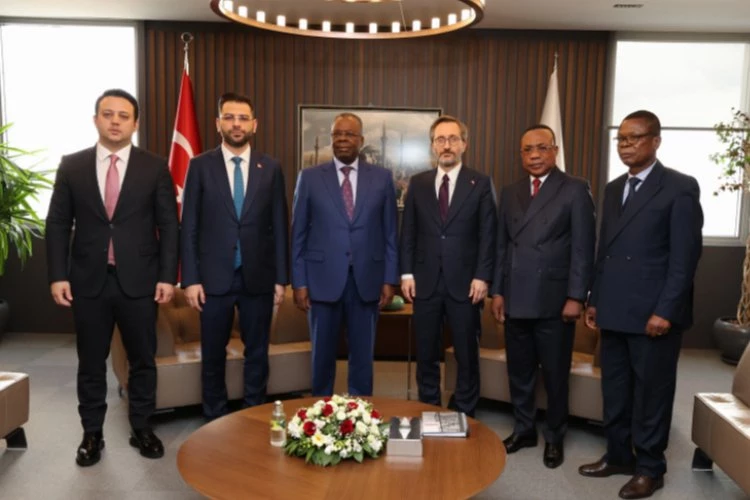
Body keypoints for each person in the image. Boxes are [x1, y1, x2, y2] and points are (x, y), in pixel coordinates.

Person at [46, 88, 179, 466]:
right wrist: (58, 275)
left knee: (143, 360)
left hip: (140, 281)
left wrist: (167, 276)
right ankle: (92, 434)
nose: (115, 121)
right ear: (96, 120)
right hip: (88, 280)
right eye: (108, 114)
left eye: (124, 116)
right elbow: (57, 223)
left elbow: (169, 224)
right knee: (90, 362)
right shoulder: (72, 165)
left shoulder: (154, 167)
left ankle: (142, 427)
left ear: (135, 124)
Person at [579, 110, 703, 499]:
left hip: (654, 315)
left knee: (651, 394)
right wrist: (595, 298)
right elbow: (605, 250)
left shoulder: (679, 187)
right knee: (615, 390)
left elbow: (685, 259)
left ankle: (650, 467)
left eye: (635, 138)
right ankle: (618, 456)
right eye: (621, 139)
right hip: (614, 309)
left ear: (656, 141)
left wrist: (665, 310)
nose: (626, 145)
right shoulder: (614, 187)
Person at [490, 124, 595, 468]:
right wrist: (498, 291)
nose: (534, 155)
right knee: (519, 371)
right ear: (521, 155)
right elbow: (502, 246)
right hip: (515, 296)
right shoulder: (511, 191)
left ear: (555, 150)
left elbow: (583, 248)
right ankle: (523, 430)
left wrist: (576, 296)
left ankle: (554, 436)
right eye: (527, 150)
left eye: (542, 148)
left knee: (554, 374)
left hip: (554, 299)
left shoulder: (575, 188)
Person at [180, 92, 288, 420]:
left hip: (258, 277)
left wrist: (281, 279)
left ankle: (253, 416)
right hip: (213, 279)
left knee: (257, 353)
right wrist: (191, 279)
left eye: (243, 118)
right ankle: (215, 418)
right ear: (218, 124)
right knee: (213, 354)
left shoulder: (270, 167)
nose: (236, 124)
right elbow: (189, 226)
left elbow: (280, 225)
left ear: (254, 124)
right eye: (229, 117)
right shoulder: (200, 166)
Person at [291, 112, 398, 396]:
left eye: (349, 134)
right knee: (322, 356)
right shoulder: (309, 177)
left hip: (367, 280)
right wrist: (299, 282)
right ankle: (320, 412)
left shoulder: (382, 178)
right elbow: (298, 234)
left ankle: (360, 413)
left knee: (362, 357)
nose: (342, 139)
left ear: (360, 140)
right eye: (337, 134)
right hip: (321, 280)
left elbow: (390, 233)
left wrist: (389, 279)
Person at [399, 115, 496, 417]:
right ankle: (429, 406)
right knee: (426, 351)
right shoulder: (418, 183)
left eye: (453, 139)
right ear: (432, 145)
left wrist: (482, 276)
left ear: (464, 144)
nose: (447, 145)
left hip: (466, 284)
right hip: (425, 282)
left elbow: (488, 234)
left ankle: (464, 410)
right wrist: (406, 273)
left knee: (466, 353)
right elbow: (408, 232)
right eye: (440, 139)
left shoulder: (480, 183)